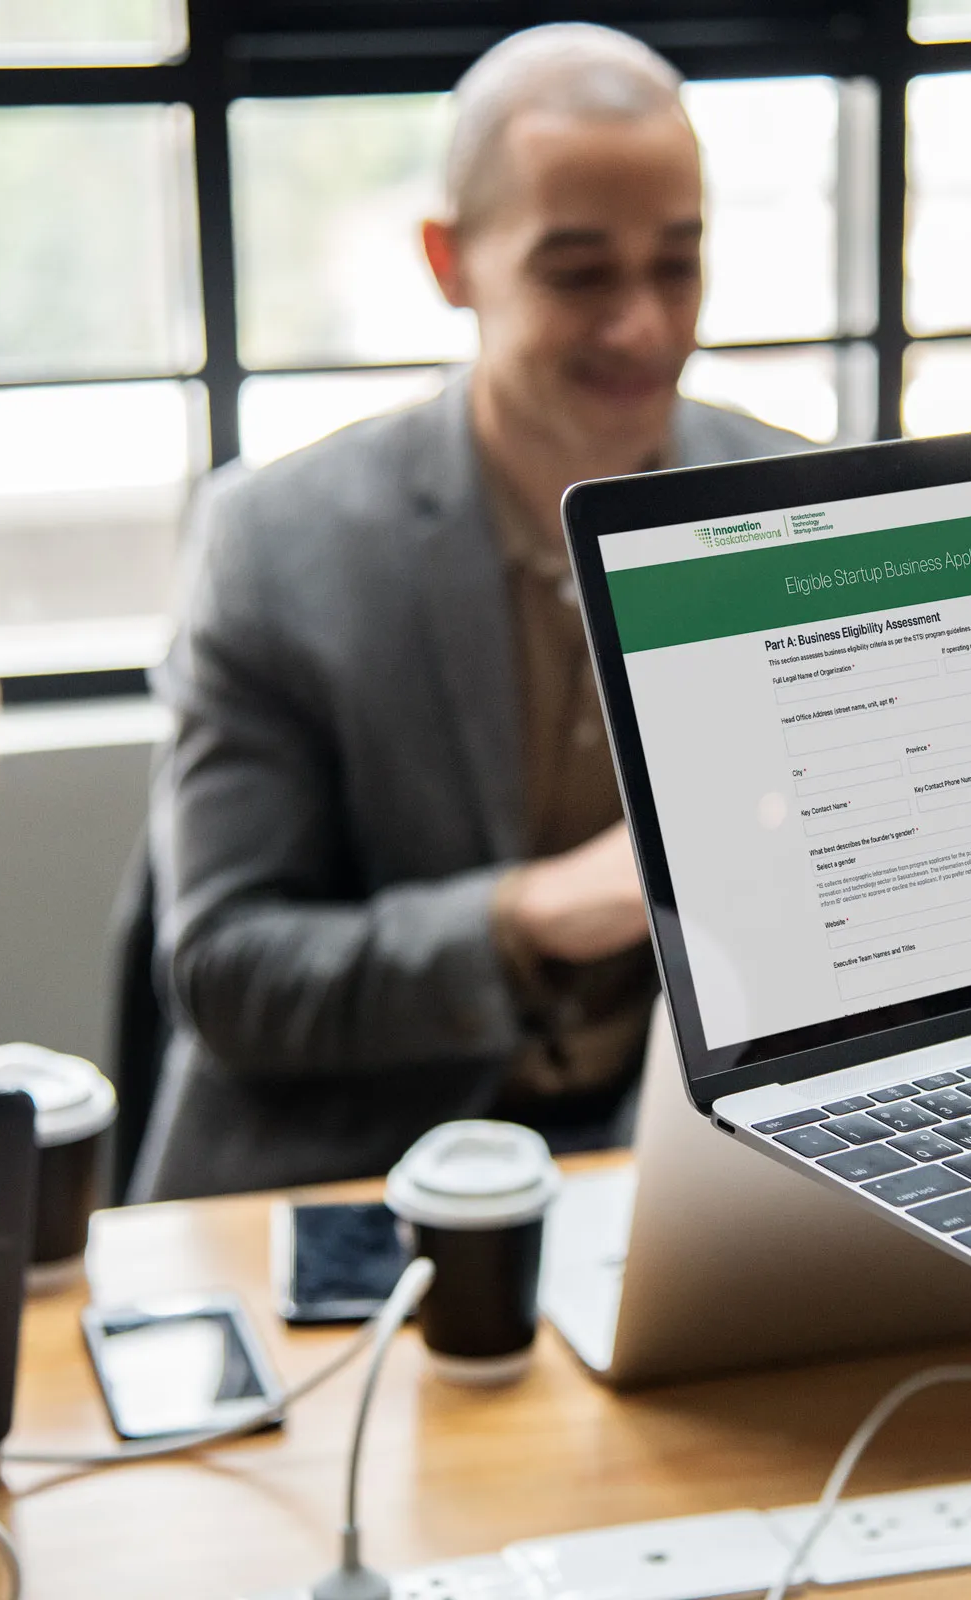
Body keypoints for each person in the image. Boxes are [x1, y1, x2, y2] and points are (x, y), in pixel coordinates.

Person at [139, 23, 805, 1199]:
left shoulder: (791, 507)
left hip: (694, 1178)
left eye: (679, 263)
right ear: (451, 264)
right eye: (580, 272)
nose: (645, 326)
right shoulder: (277, 546)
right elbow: (227, 972)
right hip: (357, 1180)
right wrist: (530, 915)